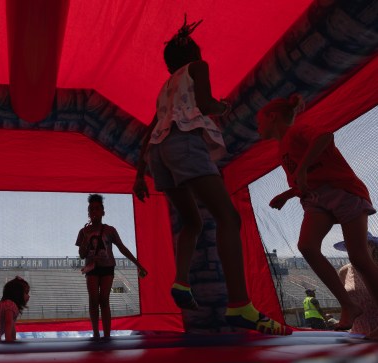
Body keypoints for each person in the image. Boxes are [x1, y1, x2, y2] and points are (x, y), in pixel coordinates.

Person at [132, 15, 290, 335]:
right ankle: (240, 304)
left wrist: (139, 174)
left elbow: (150, 130)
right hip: (184, 143)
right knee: (228, 218)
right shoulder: (198, 68)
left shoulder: (166, 87)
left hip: (158, 153)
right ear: (195, 54)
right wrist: (221, 107)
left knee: (193, 221)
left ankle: (181, 281)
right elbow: (204, 103)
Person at [257, 94, 378, 336]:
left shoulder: (298, 130)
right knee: (307, 246)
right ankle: (348, 304)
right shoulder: (281, 149)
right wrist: (289, 194)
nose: (257, 128)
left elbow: (325, 137)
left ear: (272, 117)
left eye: (259, 121)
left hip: (343, 191)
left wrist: (301, 170)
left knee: (359, 257)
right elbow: (310, 177)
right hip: (315, 199)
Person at [76, 194, 148, 340]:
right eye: (91, 209)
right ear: (88, 213)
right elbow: (82, 255)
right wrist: (85, 239)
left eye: (97, 209)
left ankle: (107, 335)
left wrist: (138, 264)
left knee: (104, 300)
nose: (94, 212)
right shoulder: (83, 231)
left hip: (107, 267)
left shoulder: (110, 230)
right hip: (91, 268)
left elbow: (122, 248)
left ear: (103, 212)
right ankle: (96, 333)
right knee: (93, 300)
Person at [335, 233, 378, 337]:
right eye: (349, 246)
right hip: (358, 334)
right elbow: (346, 304)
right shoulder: (344, 271)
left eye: (360, 244)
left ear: (372, 246)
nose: (354, 249)